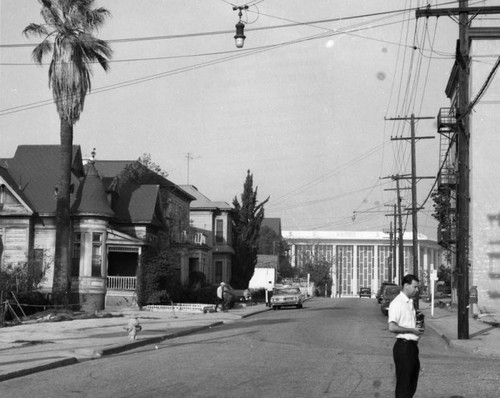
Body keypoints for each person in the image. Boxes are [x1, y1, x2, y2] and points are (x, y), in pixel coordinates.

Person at [388, 274, 424, 398]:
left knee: (411, 384)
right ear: (406, 285)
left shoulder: (410, 303)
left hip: (412, 347)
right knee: (404, 386)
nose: (417, 290)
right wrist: (412, 330)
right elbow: (392, 327)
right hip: (403, 348)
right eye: (415, 287)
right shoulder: (397, 303)